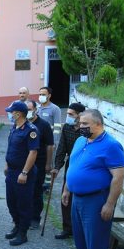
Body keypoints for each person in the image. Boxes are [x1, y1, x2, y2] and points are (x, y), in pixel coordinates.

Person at [62, 109, 124, 249]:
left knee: (95, 240)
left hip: (96, 199)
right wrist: (67, 189)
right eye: (80, 123)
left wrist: (110, 204)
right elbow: (72, 166)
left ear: (98, 124)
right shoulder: (81, 140)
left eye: (84, 124)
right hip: (77, 197)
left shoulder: (111, 145)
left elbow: (118, 177)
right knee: (80, 237)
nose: (80, 127)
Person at [3, 101, 39, 246]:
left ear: (18, 113)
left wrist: (24, 172)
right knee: (11, 202)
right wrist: (7, 164)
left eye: (11, 112)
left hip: (23, 172)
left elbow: (33, 152)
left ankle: (23, 233)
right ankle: (17, 226)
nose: (9, 114)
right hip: (11, 171)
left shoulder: (31, 130)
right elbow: (11, 147)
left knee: (23, 203)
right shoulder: (14, 127)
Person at [51, 102, 86, 239]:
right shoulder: (67, 128)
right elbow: (62, 148)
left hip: (84, 168)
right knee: (65, 197)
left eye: (71, 114)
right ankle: (67, 228)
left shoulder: (86, 130)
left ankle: (81, 229)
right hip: (70, 167)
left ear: (80, 115)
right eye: (68, 114)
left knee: (80, 198)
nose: (68, 116)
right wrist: (57, 167)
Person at [24, 100, 55, 230]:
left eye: (30, 109)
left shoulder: (44, 125)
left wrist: (48, 163)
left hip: (39, 163)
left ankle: (35, 218)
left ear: (36, 109)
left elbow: (50, 145)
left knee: (36, 191)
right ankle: (24, 217)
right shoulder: (22, 124)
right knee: (24, 191)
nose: (27, 112)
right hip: (23, 163)